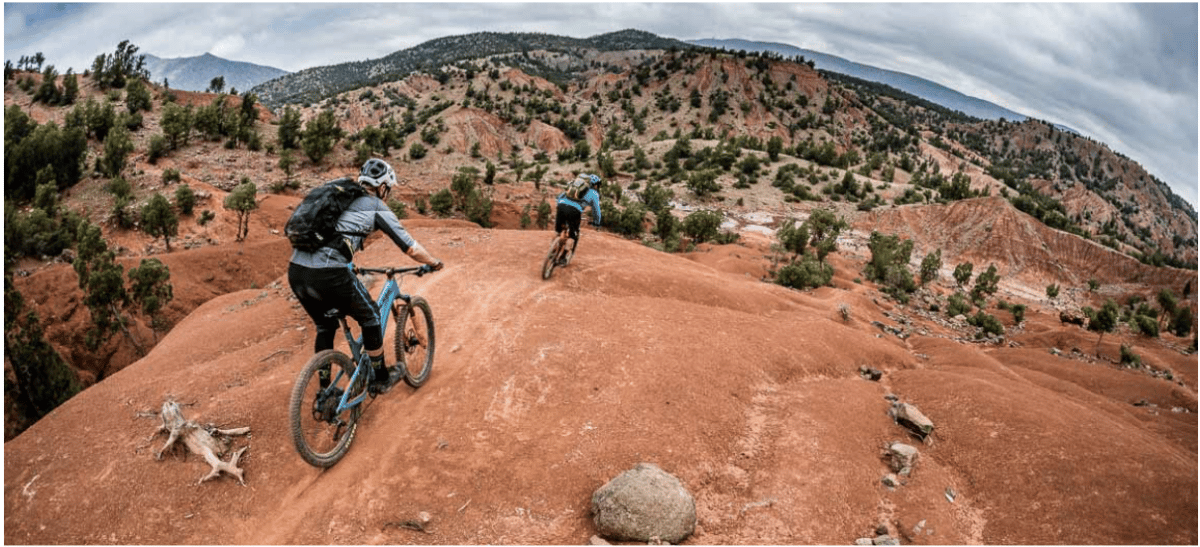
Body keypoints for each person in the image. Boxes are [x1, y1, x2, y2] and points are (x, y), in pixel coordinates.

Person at [288, 158, 443, 394]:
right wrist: (433, 262)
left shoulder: (340, 199)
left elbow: (333, 237)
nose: (387, 194)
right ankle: (380, 378)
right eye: (388, 190)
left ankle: (324, 391)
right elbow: (409, 247)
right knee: (371, 316)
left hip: (296, 272)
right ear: (382, 187)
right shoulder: (375, 205)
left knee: (324, 326)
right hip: (328, 273)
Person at [554, 173, 602, 264]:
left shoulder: (575, 187)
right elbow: (596, 210)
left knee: (559, 230)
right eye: (598, 185)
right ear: (595, 185)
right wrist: (597, 222)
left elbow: (560, 196)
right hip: (574, 211)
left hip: (561, 206)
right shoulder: (594, 193)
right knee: (573, 235)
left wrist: (560, 205)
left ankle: (553, 249)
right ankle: (563, 257)